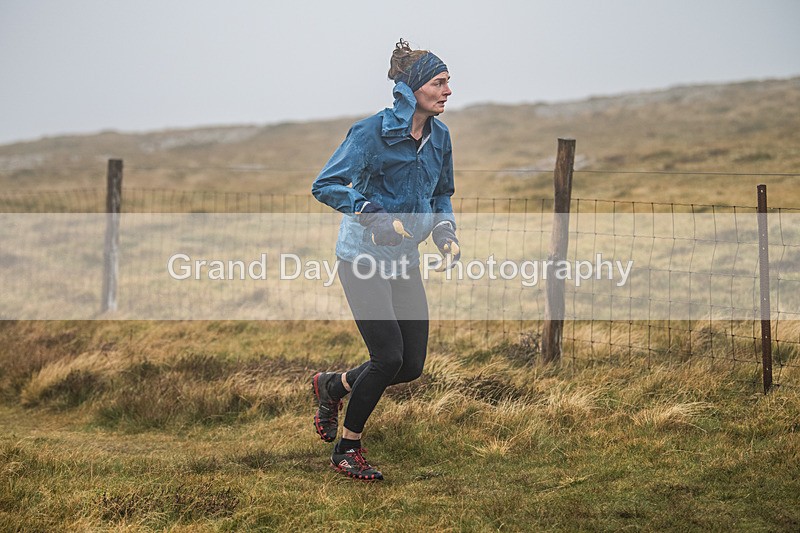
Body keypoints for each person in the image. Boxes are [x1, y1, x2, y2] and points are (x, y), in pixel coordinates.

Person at [310, 38, 460, 481]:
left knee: (411, 365)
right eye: (439, 82)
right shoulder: (370, 133)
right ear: (412, 89)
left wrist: (445, 230)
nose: (448, 90)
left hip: (405, 261)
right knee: (387, 357)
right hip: (361, 258)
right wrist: (369, 212)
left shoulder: (440, 137)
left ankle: (332, 386)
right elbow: (326, 184)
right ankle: (347, 448)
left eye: (448, 81)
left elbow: (440, 194)